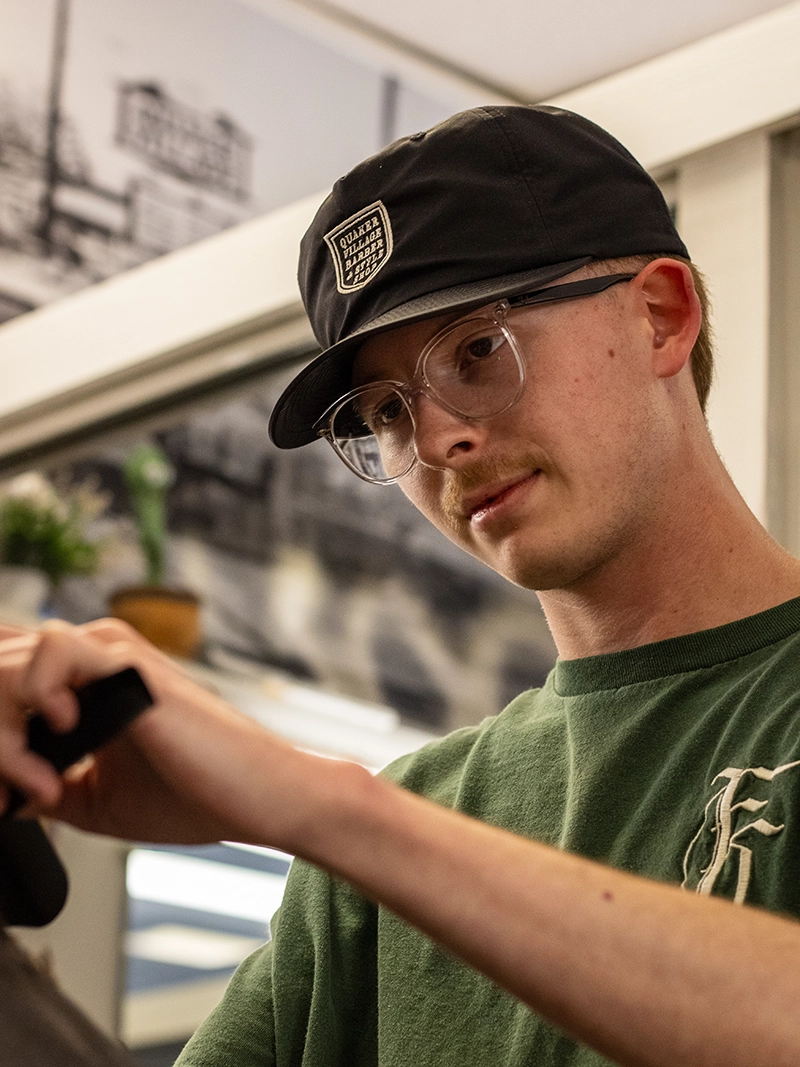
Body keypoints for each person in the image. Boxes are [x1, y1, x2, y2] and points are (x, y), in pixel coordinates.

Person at [2, 104, 800, 1067]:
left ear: (660, 315)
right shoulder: (401, 836)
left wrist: (320, 805)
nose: (436, 440)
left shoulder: (373, 832)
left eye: (477, 350)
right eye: (385, 410)